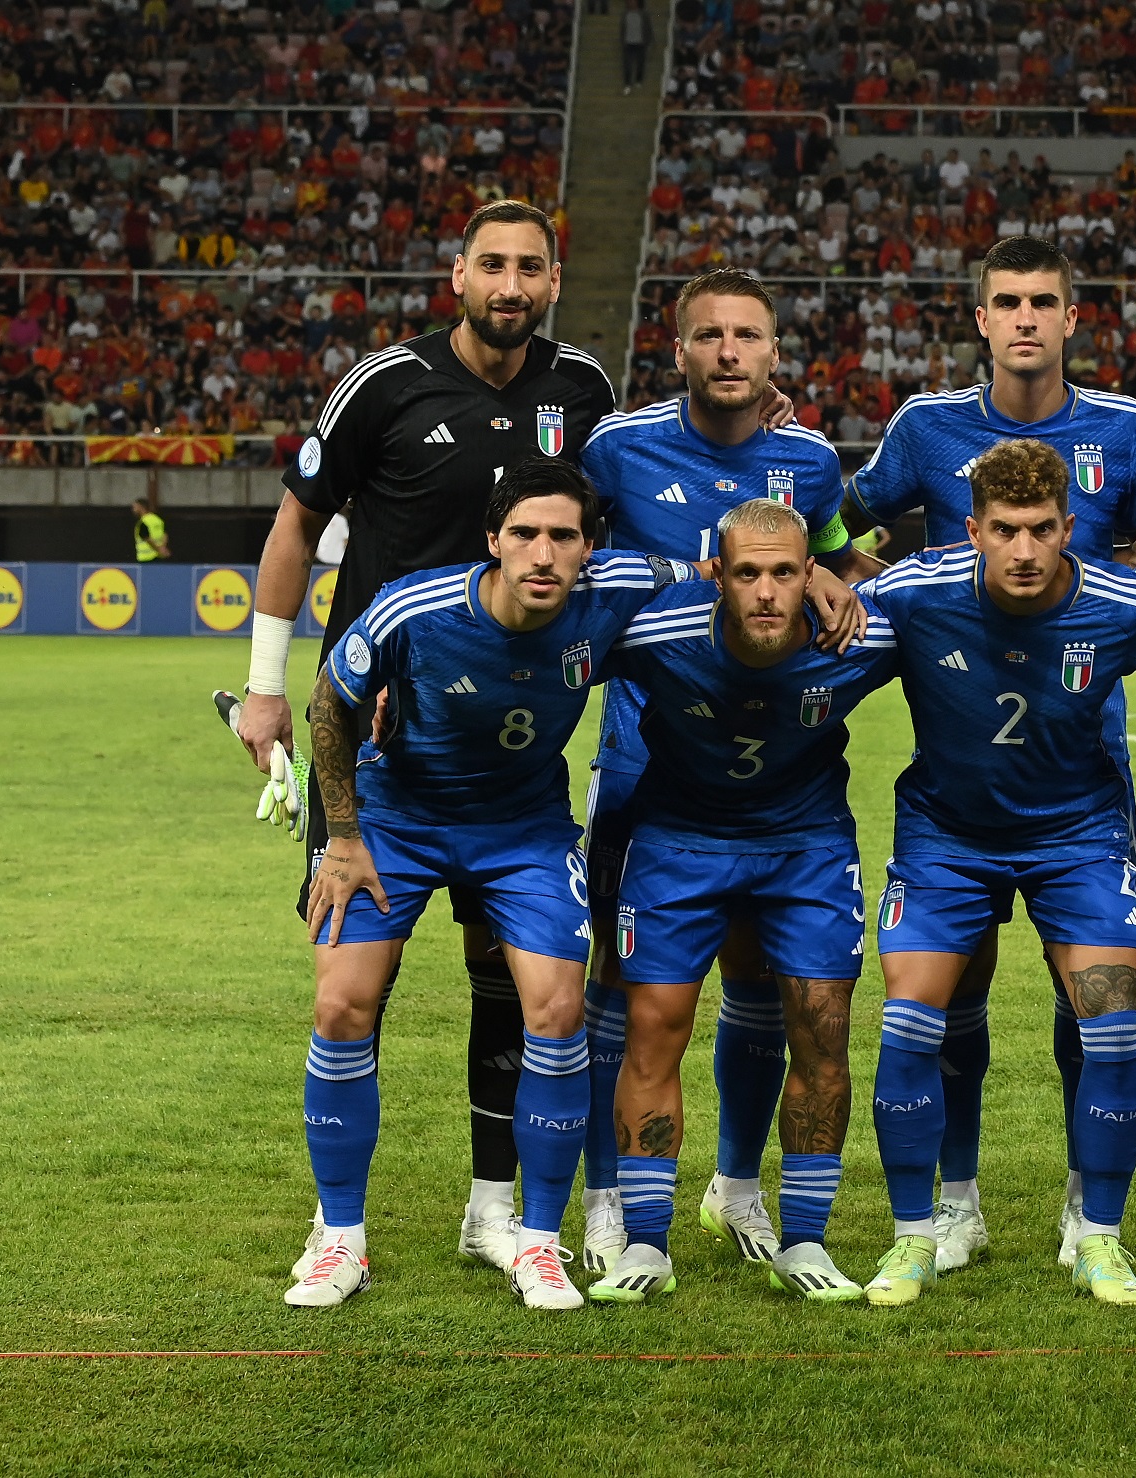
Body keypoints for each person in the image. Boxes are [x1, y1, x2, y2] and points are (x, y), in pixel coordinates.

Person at [234, 201, 619, 1284]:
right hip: (380, 736)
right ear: (457, 274)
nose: (510, 283)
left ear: (552, 279)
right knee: (355, 981)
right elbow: (296, 527)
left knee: (515, 982)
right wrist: (267, 689)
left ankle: (498, 1209)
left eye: (529, 267)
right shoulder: (383, 385)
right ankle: (337, 1226)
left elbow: (624, 517)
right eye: (491, 264)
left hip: (513, 756)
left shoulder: (582, 390)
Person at [284, 460, 697, 1309]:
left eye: (563, 537)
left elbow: (715, 567)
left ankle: (538, 1244)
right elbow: (332, 701)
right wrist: (345, 837)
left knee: (556, 1010)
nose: (544, 554)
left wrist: (820, 579)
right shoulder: (415, 607)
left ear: (591, 548)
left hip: (526, 833)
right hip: (396, 821)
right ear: (492, 543)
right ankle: (341, 1240)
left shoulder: (615, 587)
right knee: (341, 1006)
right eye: (525, 535)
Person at [838, 234, 1136, 1272]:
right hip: (951, 807)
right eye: (1006, 301)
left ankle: (1092, 1224)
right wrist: (822, 577)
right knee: (927, 1018)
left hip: (1079, 804)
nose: (1025, 317)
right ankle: (938, 1216)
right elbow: (832, 523)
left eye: (1044, 301)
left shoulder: (1127, 449)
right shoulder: (925, 446)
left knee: (1105, 1018)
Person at [577, 269, 865, 1275]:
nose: (730, 350)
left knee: (761, 980)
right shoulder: (617, 447)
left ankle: (739, 1188)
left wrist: (828, 570)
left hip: (779, 769)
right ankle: (613, 1205)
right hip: (644, 757)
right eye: (711, 335)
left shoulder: (812, 459)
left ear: (774, 352)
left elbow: (837, 560)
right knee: (622, 991)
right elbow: (571, 560)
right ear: (682, 350)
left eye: (748, 334)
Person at [586, 498, 897, 1306]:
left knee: (824, 1030)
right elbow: (552, 633)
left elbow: (967, 619)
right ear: (718, 576)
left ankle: (805, 1240)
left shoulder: (863, 636)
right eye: (748, 573)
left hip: (807, 847)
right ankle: (647, 1242)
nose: (766, 591)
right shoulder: (656, 634)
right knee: (653, 1028)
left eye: (785, 573)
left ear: (811, 576)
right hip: (676, 841)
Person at [621, 0, 651, 93]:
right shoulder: (625, 15)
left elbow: (648, 28)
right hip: (628, 43)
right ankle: (627, 83)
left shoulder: (643, 15)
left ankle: (638, 80)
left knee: (640, 63)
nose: (630, 3)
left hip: (640, 43)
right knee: (627, 64)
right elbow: (622, 29)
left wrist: (648, 41)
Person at [131, 497, 170, 562]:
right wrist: (163, 548)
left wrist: (159, 549)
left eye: (135, 507)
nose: (133, 510)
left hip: (146, 558)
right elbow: (165, 535)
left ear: (141, 507)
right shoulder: (158, 520)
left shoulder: (142, 522)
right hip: (159, 557)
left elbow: (146, 538)